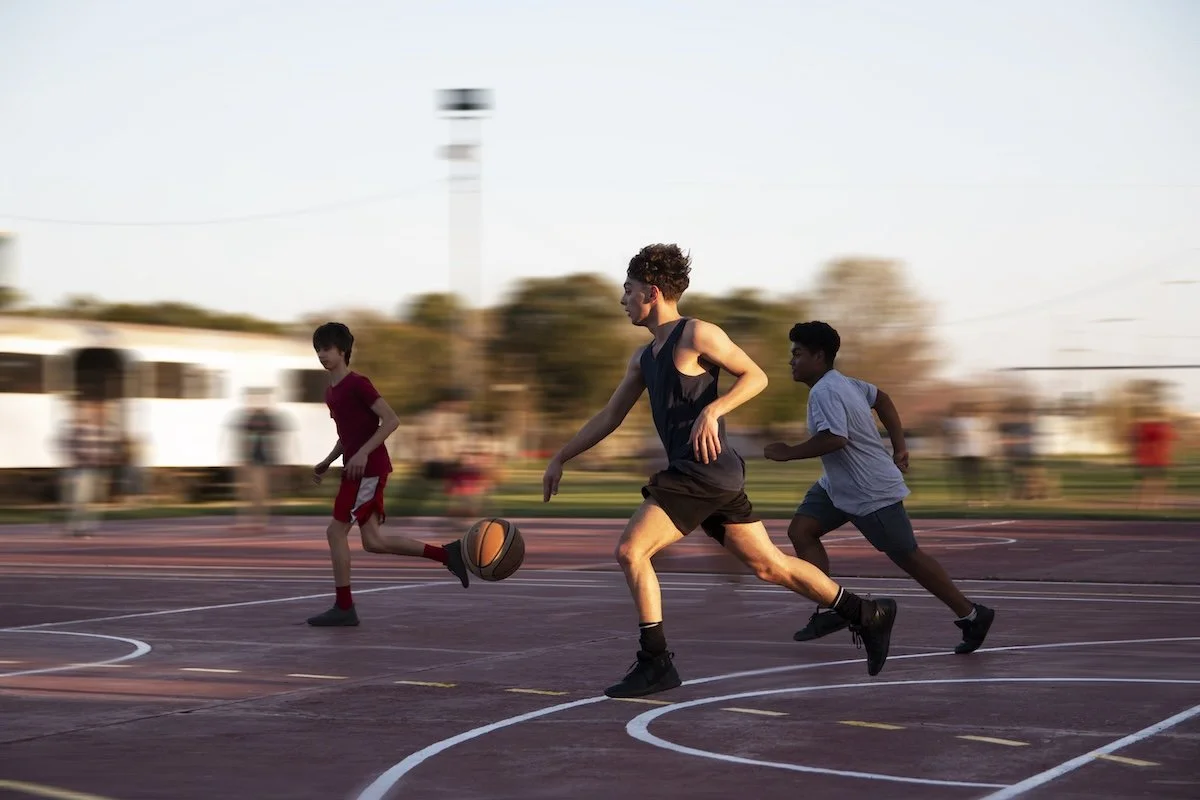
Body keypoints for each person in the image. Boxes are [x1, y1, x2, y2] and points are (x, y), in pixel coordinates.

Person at [542, 245, 898, 699]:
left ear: (651, 292)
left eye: (628, 291)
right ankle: (868, 614)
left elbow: (756, 376)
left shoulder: (697, 334)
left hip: (702, 472)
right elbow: (608, 416)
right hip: (709, 474)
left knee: (632, 551)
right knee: (771, 567)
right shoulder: (643, 357)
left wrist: (714, 408)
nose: (622, 299)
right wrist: (561, 457)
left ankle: (656, 662)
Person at [765, 321, 995, 654]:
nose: (791, 361)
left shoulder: (826, 390)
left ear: (819, 356)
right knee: (802, 531)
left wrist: (788, 453)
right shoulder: (843, 383)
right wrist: (899, 445)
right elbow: (882, 399)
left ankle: (972, 615)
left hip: (869, 490)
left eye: (797, 354)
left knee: (909, 557)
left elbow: (835, 438)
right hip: (836, 487)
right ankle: (832, 607)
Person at [306, 322, 470, 627]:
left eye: (327, 348)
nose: (322, 354)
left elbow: (392, 421)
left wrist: (364, 453)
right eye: (318, 349)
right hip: (355, 470)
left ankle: (344, 607)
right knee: (373, 542)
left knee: (335, 532)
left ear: (343, 351)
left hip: (369, 470)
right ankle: (449, 555)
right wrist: (328, 461)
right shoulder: (331, 393)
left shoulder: (358, 384)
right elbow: (348, 436)